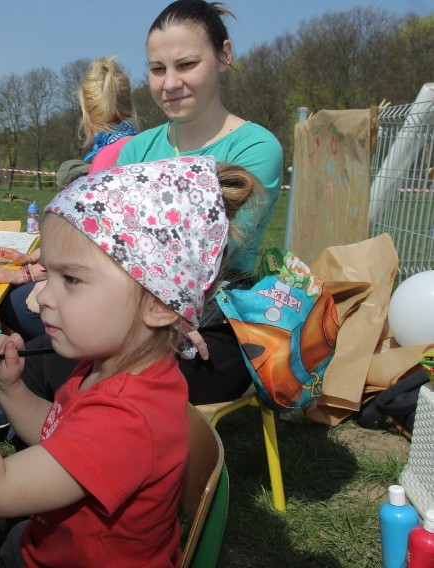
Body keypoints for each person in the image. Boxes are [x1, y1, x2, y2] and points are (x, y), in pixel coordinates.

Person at [0, 156, 257, 567]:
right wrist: (11, 390)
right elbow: (62, 436)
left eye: (72, 279)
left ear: (158, 304)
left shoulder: (130, 417)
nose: (44, 296)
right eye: (48, 274)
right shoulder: (110, 368)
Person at [23, 0, 284, 406]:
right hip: (127, 312)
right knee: (38, 346)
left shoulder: (256, 146)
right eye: (158, 69)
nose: (170, 83)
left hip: (216, 320)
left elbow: (211, 254)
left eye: (186, 65)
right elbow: (102, 241)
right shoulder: (137, 149)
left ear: (224, 56)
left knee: (68, 366)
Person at [0, 56, 139, 340]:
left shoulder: (107, 159)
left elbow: (84, 248)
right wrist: (30, 257)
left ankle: (42, 373)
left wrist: (23, 275)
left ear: (85, 109)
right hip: (115, 293)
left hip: (105, 305)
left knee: (8, 304)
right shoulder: (135, 146)